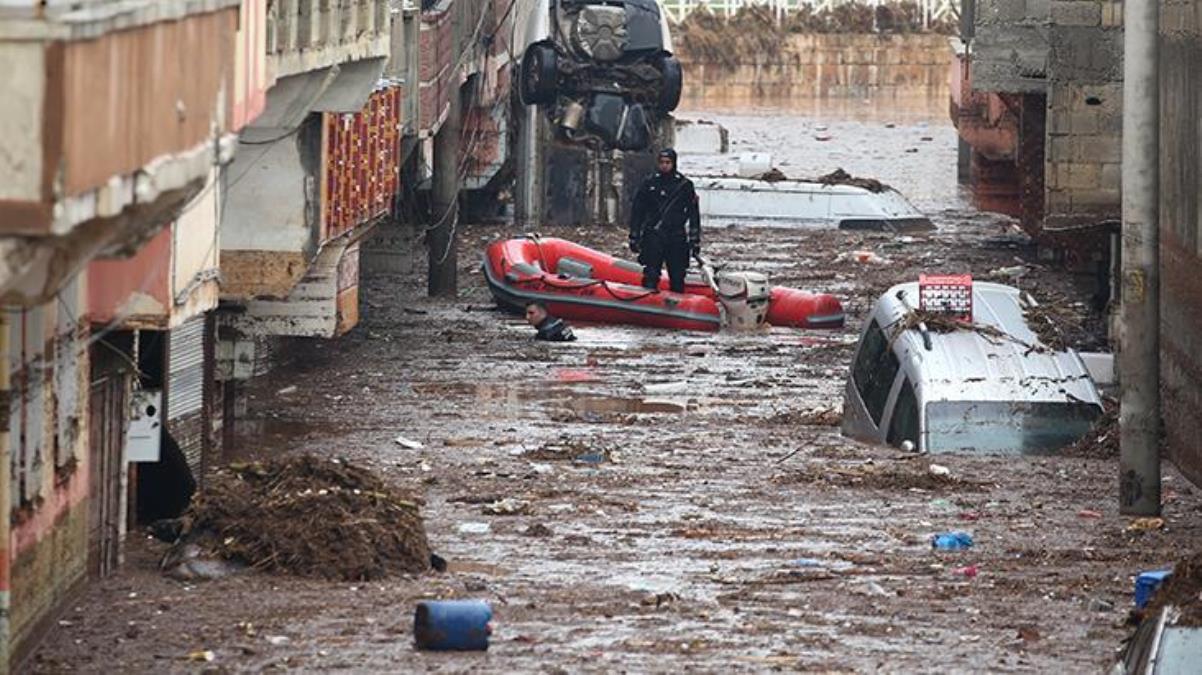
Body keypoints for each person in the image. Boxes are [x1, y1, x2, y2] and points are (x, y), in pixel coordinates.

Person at [628, 148, 701, 293]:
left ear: (674, 163)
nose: (664, 165)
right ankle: (648, 306)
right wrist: (634, 235)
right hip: (654, 235)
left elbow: (694, 214)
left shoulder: (684, 185)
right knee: (651, 274)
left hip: (676, 236)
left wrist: (694, 239)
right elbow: (638, 211)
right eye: (662, 162)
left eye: (668, 162)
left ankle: (678, 308)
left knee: (677, 275)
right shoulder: (649, 184)